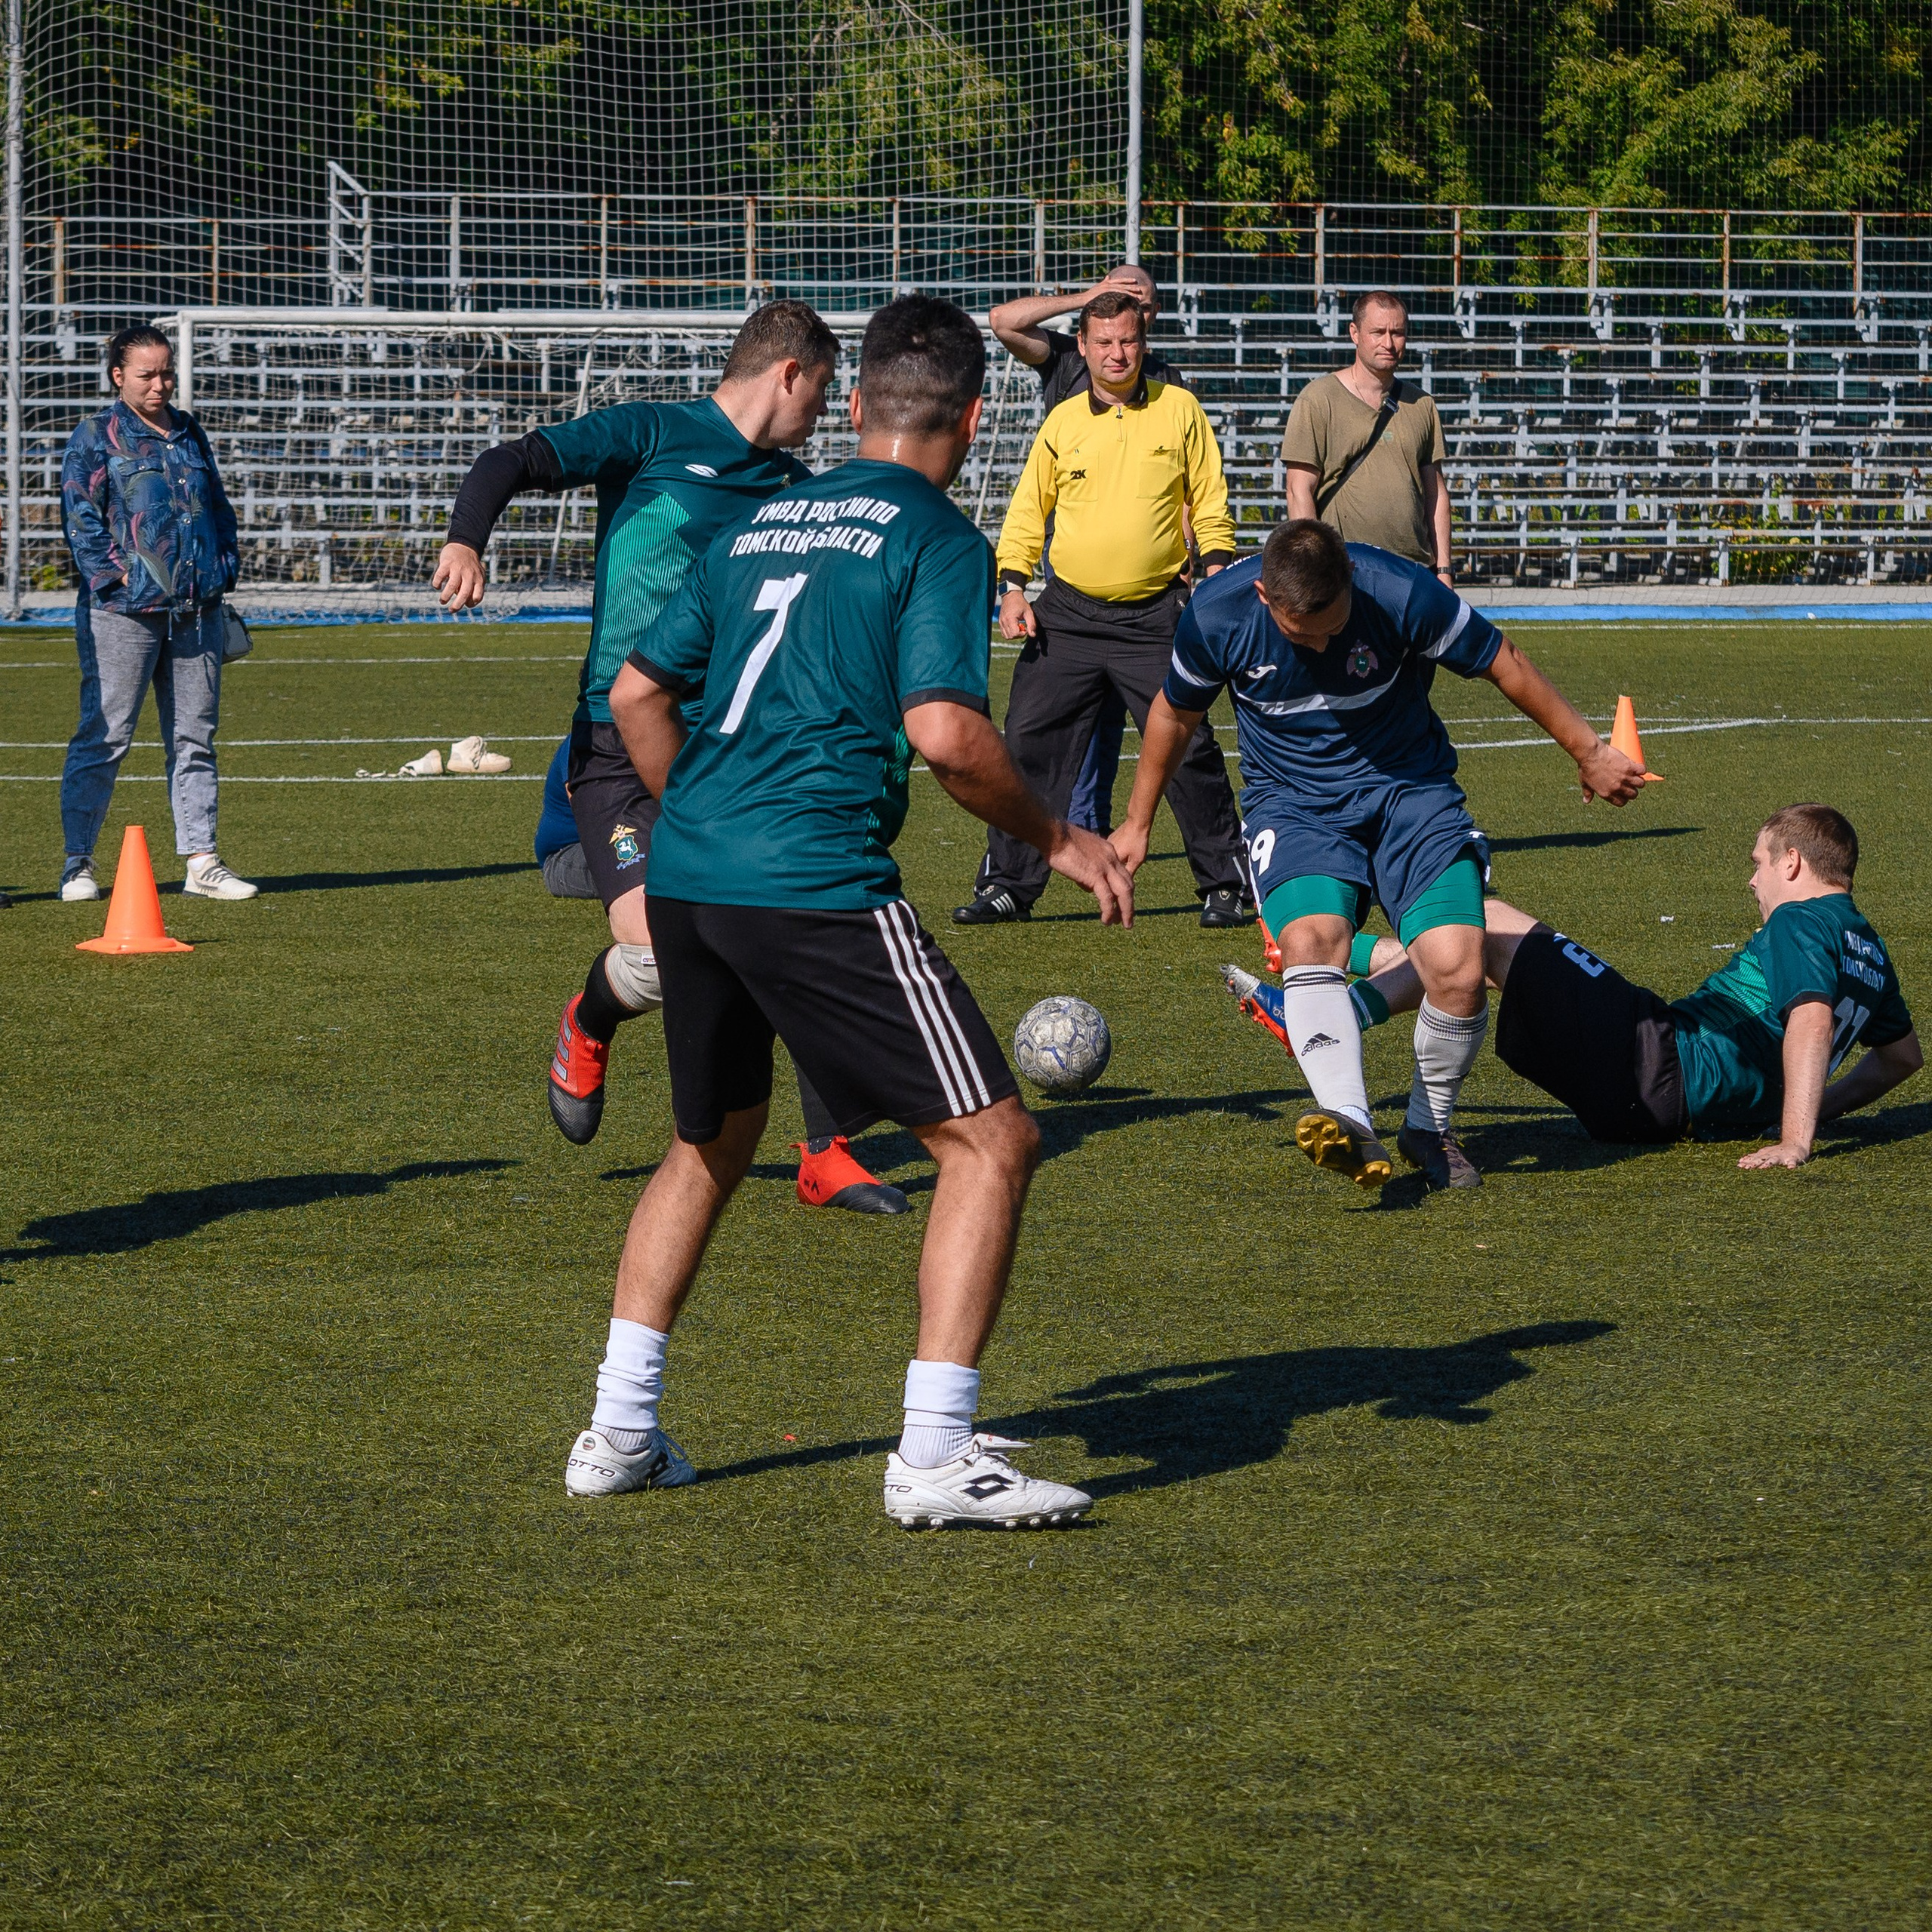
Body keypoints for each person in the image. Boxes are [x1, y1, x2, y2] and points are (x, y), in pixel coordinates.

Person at [565, 294, 1136, 1526]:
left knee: (708, 1146)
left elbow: (635, 695)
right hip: (810, 880)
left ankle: (618, 1431)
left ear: (861, 401)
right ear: (973, 422)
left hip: (692, 877)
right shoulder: (935, 535)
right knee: (993, 1144)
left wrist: (702, 817)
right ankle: (933, 1455)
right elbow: (947, 735)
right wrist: (1060, 839)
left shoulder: (758, 519)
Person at [436, 302, 905, 1215]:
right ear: (789, 373)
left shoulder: (793, 488)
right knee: (658, 957)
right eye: (823, 389)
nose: (825, 410)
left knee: (792, 923)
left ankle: (827, 1152)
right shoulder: (654, 432)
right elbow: (510, 461)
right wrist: (466, 538)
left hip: (733, 747)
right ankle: (589, 1018)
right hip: (618, 746)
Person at [1112, 518, 1646, 1193]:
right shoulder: (1217, 615)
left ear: (1351, 583)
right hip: (1295, 804)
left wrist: (1590, 751)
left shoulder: (1400, 592)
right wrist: (1137, 823)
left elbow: (1502, 660)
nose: (1323, 644)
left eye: (1335, 627)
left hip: (1411, 792)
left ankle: (1428, 1126)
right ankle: (1350, 1120)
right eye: (1302, 634)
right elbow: (1173, 713)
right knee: (1312, 941)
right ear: (1265, 596)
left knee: (1457, 967)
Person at [1338, 806, 1921, 1166]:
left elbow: (1811, 1021)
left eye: (1758, 862)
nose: (1753, 881)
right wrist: (1816, 1107)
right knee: (1480, 959)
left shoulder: (1801, 919)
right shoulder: (1870, 950)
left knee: (1485, 919)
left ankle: (1340, 1014)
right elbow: (1902, 1058)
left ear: (1792, 862)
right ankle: (1344, 956)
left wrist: (1796, 1138)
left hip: (1659, 1059)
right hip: (1662, 1109)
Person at [955, 290, 1250, 929]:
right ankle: (1007, 885)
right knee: (1027, 742)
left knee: (1190, 749)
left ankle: (1227, 885)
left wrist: (1215, 574)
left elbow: (1209, 498)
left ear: (1144, 342)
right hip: (1068, 615)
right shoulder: (1063, 421)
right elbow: (1028, 509)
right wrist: (1013, 586)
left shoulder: (1180, 408)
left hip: (1156, 615)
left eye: (1128, 340)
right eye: (1105, 342)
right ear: (1083, 348)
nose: (1118, 353)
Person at [57, 325, 255, 903]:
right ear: (118, 375)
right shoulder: (95, 435)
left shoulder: (189, 431)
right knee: (105, 735)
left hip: (197, 610)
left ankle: (202, 860)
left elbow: (217, 506)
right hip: (122, 614)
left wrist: (222, 567)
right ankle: (78, 864)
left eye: (167, 373)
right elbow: (79, 515)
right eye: (147, 374)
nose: (160, 385)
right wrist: (117, 578)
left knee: (195, 736)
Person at [990, 265, 1189, 840]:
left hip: (1149, 596)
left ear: (1151, 319)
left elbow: (1187, 483)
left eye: (1140, 304)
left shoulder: (1169, 385)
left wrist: (1188, 560)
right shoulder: (1066, 358)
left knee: (1158, 726)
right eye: (1116, 299)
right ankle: (1051, 843)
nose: (1117, 348)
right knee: (1058, 727)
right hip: (1073, 587)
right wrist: (1089, 297)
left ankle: (1101, 831)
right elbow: (1002, 320)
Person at [1282, 291, 1454, 585]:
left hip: (1412, 573)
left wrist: (1444, 571)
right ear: (1355, 333)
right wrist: (1316, 569)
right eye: (1378, 332)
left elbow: (1436, 496)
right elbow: (1299, 492)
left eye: (1397, 333)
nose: (1388, 343)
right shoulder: (1318, 399)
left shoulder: (1422, 404)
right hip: (1345, 571)